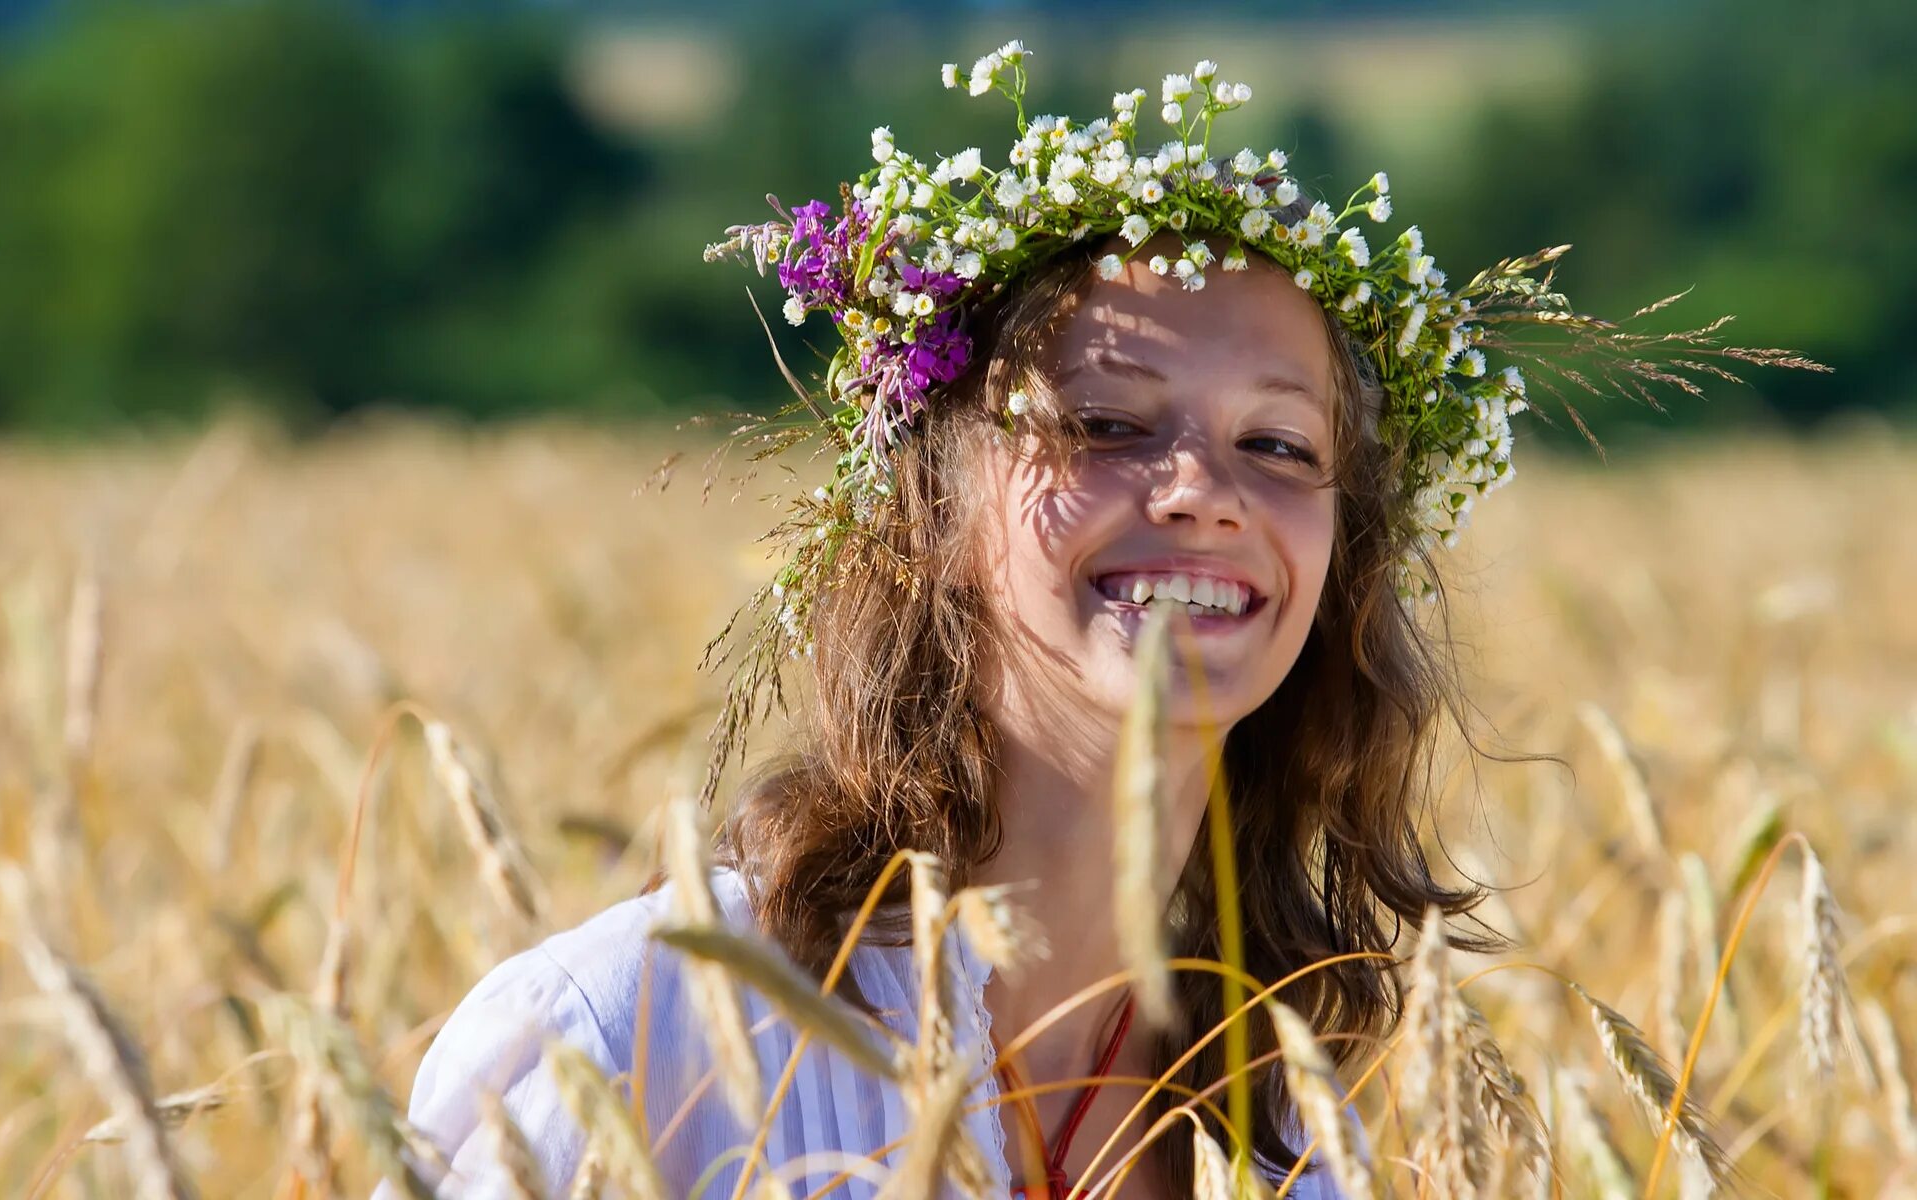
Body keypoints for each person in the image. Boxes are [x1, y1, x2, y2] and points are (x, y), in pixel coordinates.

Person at [382, 38, 1809, 1200]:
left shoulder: (1298, 1139)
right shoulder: (633, 1042)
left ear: (1338, 560)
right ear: (933, 513)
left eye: (1281, 447)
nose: (1200, 493)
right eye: (1109, 423)